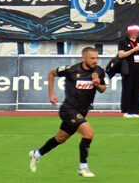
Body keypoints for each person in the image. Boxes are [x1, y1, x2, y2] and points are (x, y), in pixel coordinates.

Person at [28, 47, 106, 178]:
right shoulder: (71, 69)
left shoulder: (99, 71)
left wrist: (98, 84)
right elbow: (51, 74)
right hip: (68, 109)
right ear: (84, 58)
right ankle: (83, 167)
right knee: (88, 133)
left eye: (97, 58)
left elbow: (103, 88)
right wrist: (51, 94)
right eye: (92, 58)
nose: (95, 61)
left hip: (82, 111)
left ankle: (36, 154)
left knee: (60, 139)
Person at [117, 25, 139, 118]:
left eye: (137, 32)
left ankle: (135, 110)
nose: (135, 34)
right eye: (134, 32)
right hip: (128, 65)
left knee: (137, 88)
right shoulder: (123, 42)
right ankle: (126, 110)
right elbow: (121, 55)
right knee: (127, 88)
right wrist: (134, 50)